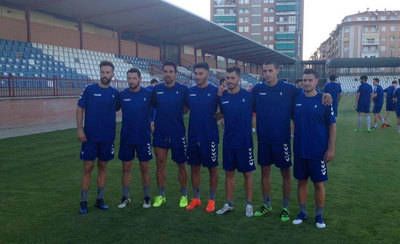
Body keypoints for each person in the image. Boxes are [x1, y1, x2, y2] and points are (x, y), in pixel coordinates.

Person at [252, 61, 332, 222]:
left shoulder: (290, 90)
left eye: (270, 70)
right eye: (265, 70)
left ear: (277, 70)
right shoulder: (257, 89)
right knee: (264, 173)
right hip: (264, 140)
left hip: (282, 140)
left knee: (286, 175)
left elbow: (310, 92)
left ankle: (285, 207)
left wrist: (325, 93)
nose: (267, 73)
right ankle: (266, 204)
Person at [292, 69, 336, 229]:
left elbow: (332, 125)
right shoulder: (296, 99)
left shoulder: (324, 100)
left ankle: (319, 216)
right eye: (304, 80)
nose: (307, 83)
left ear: (317, 81)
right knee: (301, 182)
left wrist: (331, 149)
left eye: (310, 80)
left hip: (318, 152)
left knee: (319, 184)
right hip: (300, 150)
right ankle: (302, 213)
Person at [76, 61, 120, 215]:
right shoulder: (89, 89)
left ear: (112, 74)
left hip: (107, 137)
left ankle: (100, 199)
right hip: (90, 137)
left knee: (103, 167)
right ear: (99, 72)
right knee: (88, 167)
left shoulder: (115, 93)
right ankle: (83, 201)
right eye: (103, 72)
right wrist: (80, 129)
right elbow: (80, 108)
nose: (105, 75)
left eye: (108, 72)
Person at [216, 67, 256, 217]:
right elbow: (218, 115)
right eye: (227, 78)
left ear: (239, 79)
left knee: (247, 174)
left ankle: (249, 204)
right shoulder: (222, 97)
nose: (230, 81)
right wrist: (220, 118)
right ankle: (229, 203)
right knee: (229, 174)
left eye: (232, 78)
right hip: (228, 142)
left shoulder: (249, 96)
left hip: (245, 143)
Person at [151, 61, 189, 208]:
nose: (168, 74)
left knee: (181, 165)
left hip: (177, 133)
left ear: (175, 73)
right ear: (162, 73)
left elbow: (186, 108)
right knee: (160, 164)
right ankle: (161, 195)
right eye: (165, 71)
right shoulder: (157, 89)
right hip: (160, 133)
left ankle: (184, 195)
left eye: (171, 71)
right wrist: (152, 122)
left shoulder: (183, 90)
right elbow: (152, 107)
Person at [185, 63, 219, 213]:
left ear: (208, 74)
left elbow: (223, 110)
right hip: (193, 136)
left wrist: (213, 119)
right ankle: (196, 198)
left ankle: (212, 200)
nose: (198, 76)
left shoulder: (215, 91)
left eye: (201, 74)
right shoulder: (190, 92)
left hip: (209, 136)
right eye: (196, 73)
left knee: (212, 168)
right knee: (194, 167)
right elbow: (184, 109)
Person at [117, 68, 153, 209]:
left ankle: (147, 197)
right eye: (129, 78)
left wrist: (153, 120)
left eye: (134, 78)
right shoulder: (122, 95)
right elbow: (111, 108)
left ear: (139, 79)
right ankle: (125, 197)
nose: (131, 81)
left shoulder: (148, 94)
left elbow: (157, 108)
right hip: (127, 137)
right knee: (126, 168)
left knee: (144, 168)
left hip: (143, 137)